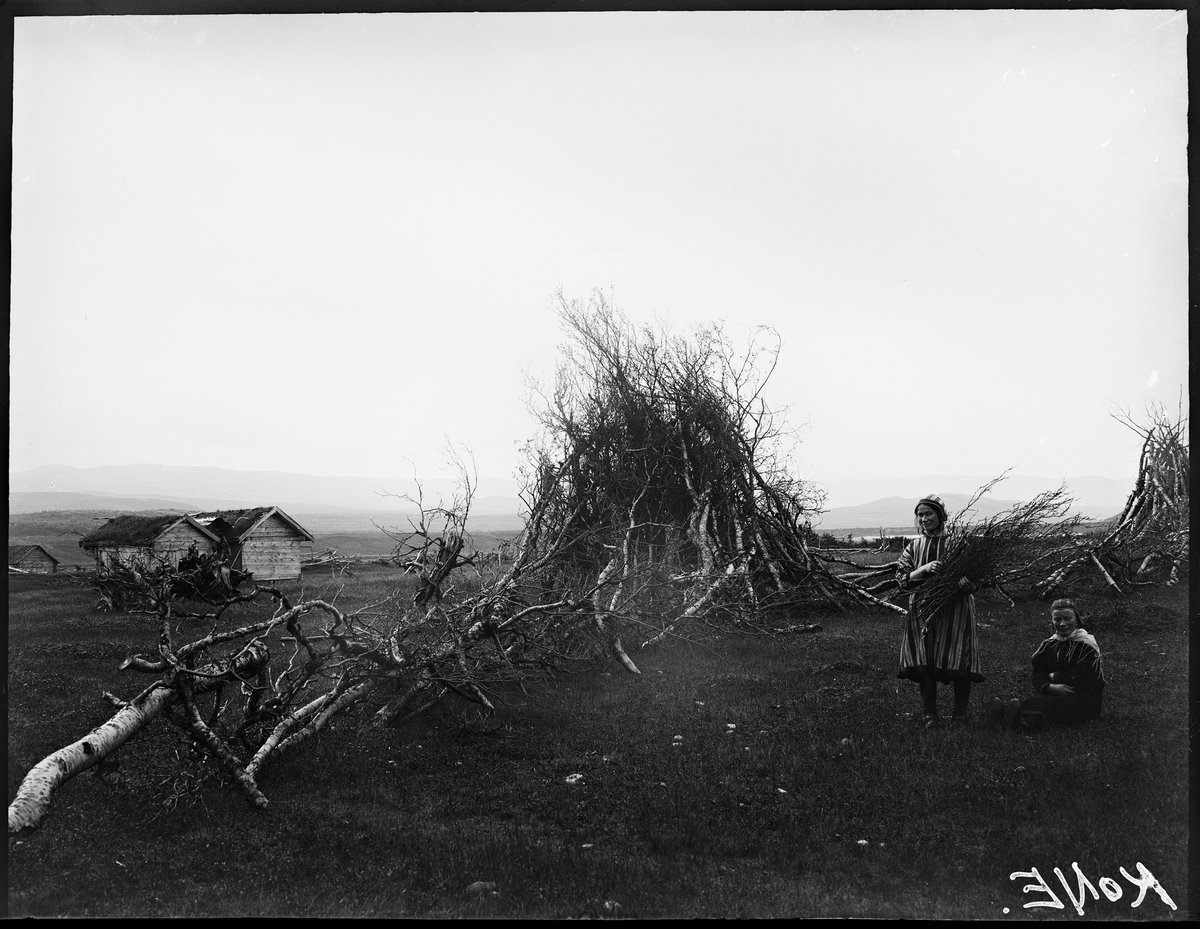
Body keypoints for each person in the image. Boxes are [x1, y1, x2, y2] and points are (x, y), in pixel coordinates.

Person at [894, 494, 983, 728]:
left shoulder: (959, 544)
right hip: (922, 609)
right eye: (920, 515)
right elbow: (902, 579)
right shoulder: (914, 547)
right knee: (925, 659)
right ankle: (930, 715)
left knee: (959, 657)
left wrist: (969, 585)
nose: (924, 519)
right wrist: (923, 569)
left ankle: (960, 715)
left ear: (941, 516)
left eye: (928, 514)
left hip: (956, 608)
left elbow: (977, 577)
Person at [988, 598, 1105, 732]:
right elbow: (1038, 673)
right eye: (1057, 619)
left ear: (1077, 620)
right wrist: (1049, 687)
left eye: (1067, 619)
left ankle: (1021, 724)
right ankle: (1003, 719)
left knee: (1054, 706)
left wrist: (1056, 676)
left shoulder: (1086, 646)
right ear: (1052, 621)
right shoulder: (1048, 645)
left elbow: (1085, 677)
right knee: (1032, 702)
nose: (1062, 624)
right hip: (1053, 692)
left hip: (1082, 696)